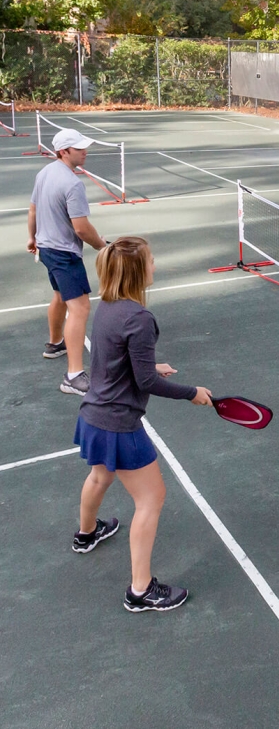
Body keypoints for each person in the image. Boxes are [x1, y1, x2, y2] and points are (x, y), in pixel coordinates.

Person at [71, 236, 213, 612]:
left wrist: (150, 367)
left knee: (100, 477)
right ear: (138, 271)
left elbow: (117, 361)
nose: (155, 265)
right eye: (151, 260)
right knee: (151, 498)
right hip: (119, 424)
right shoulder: (140, 318)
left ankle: (86, 535)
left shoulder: (108, 306)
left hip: (92, 416)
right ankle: (140, 590)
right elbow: (146, 382)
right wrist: (191, 392)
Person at [27, 128, 108, 395]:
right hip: (63, 253)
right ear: (64, 152)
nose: (85, 152)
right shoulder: (73, 184)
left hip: (46, 247)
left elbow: (33, 209)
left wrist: (32, 238)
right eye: (79, 148)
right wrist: (101, 246)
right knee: (81, 308)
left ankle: (55, 344)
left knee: (60, 295)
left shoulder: (45, 172)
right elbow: (82, 228)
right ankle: (73, 376)